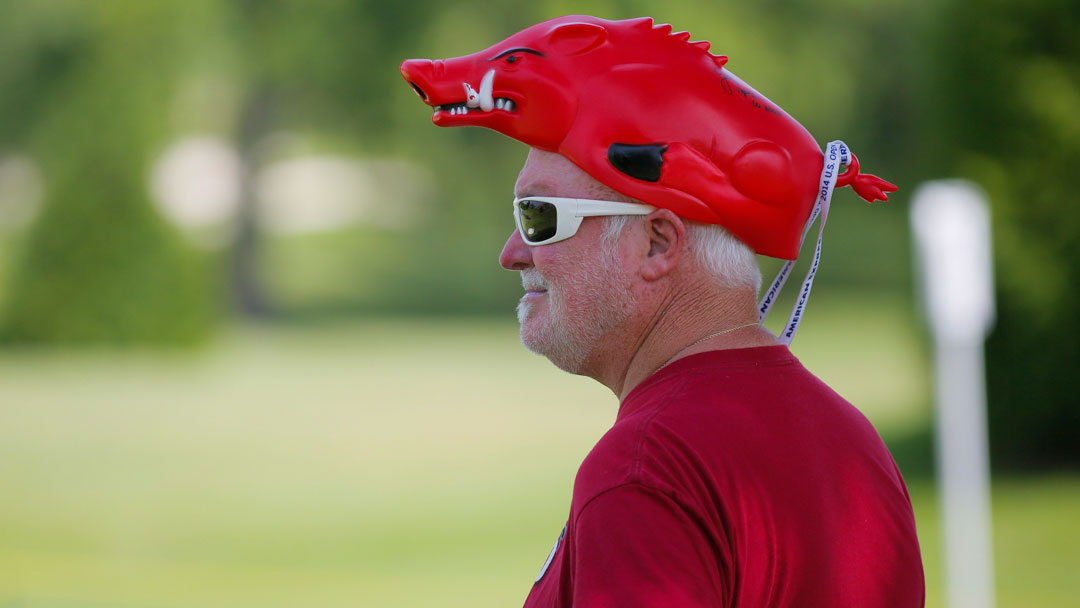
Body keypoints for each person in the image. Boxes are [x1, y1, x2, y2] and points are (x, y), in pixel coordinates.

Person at [402, 14, 924, 607]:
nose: (511, 252)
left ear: (658, 243)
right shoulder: (853, 443)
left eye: (539, 217)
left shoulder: (647, 468)